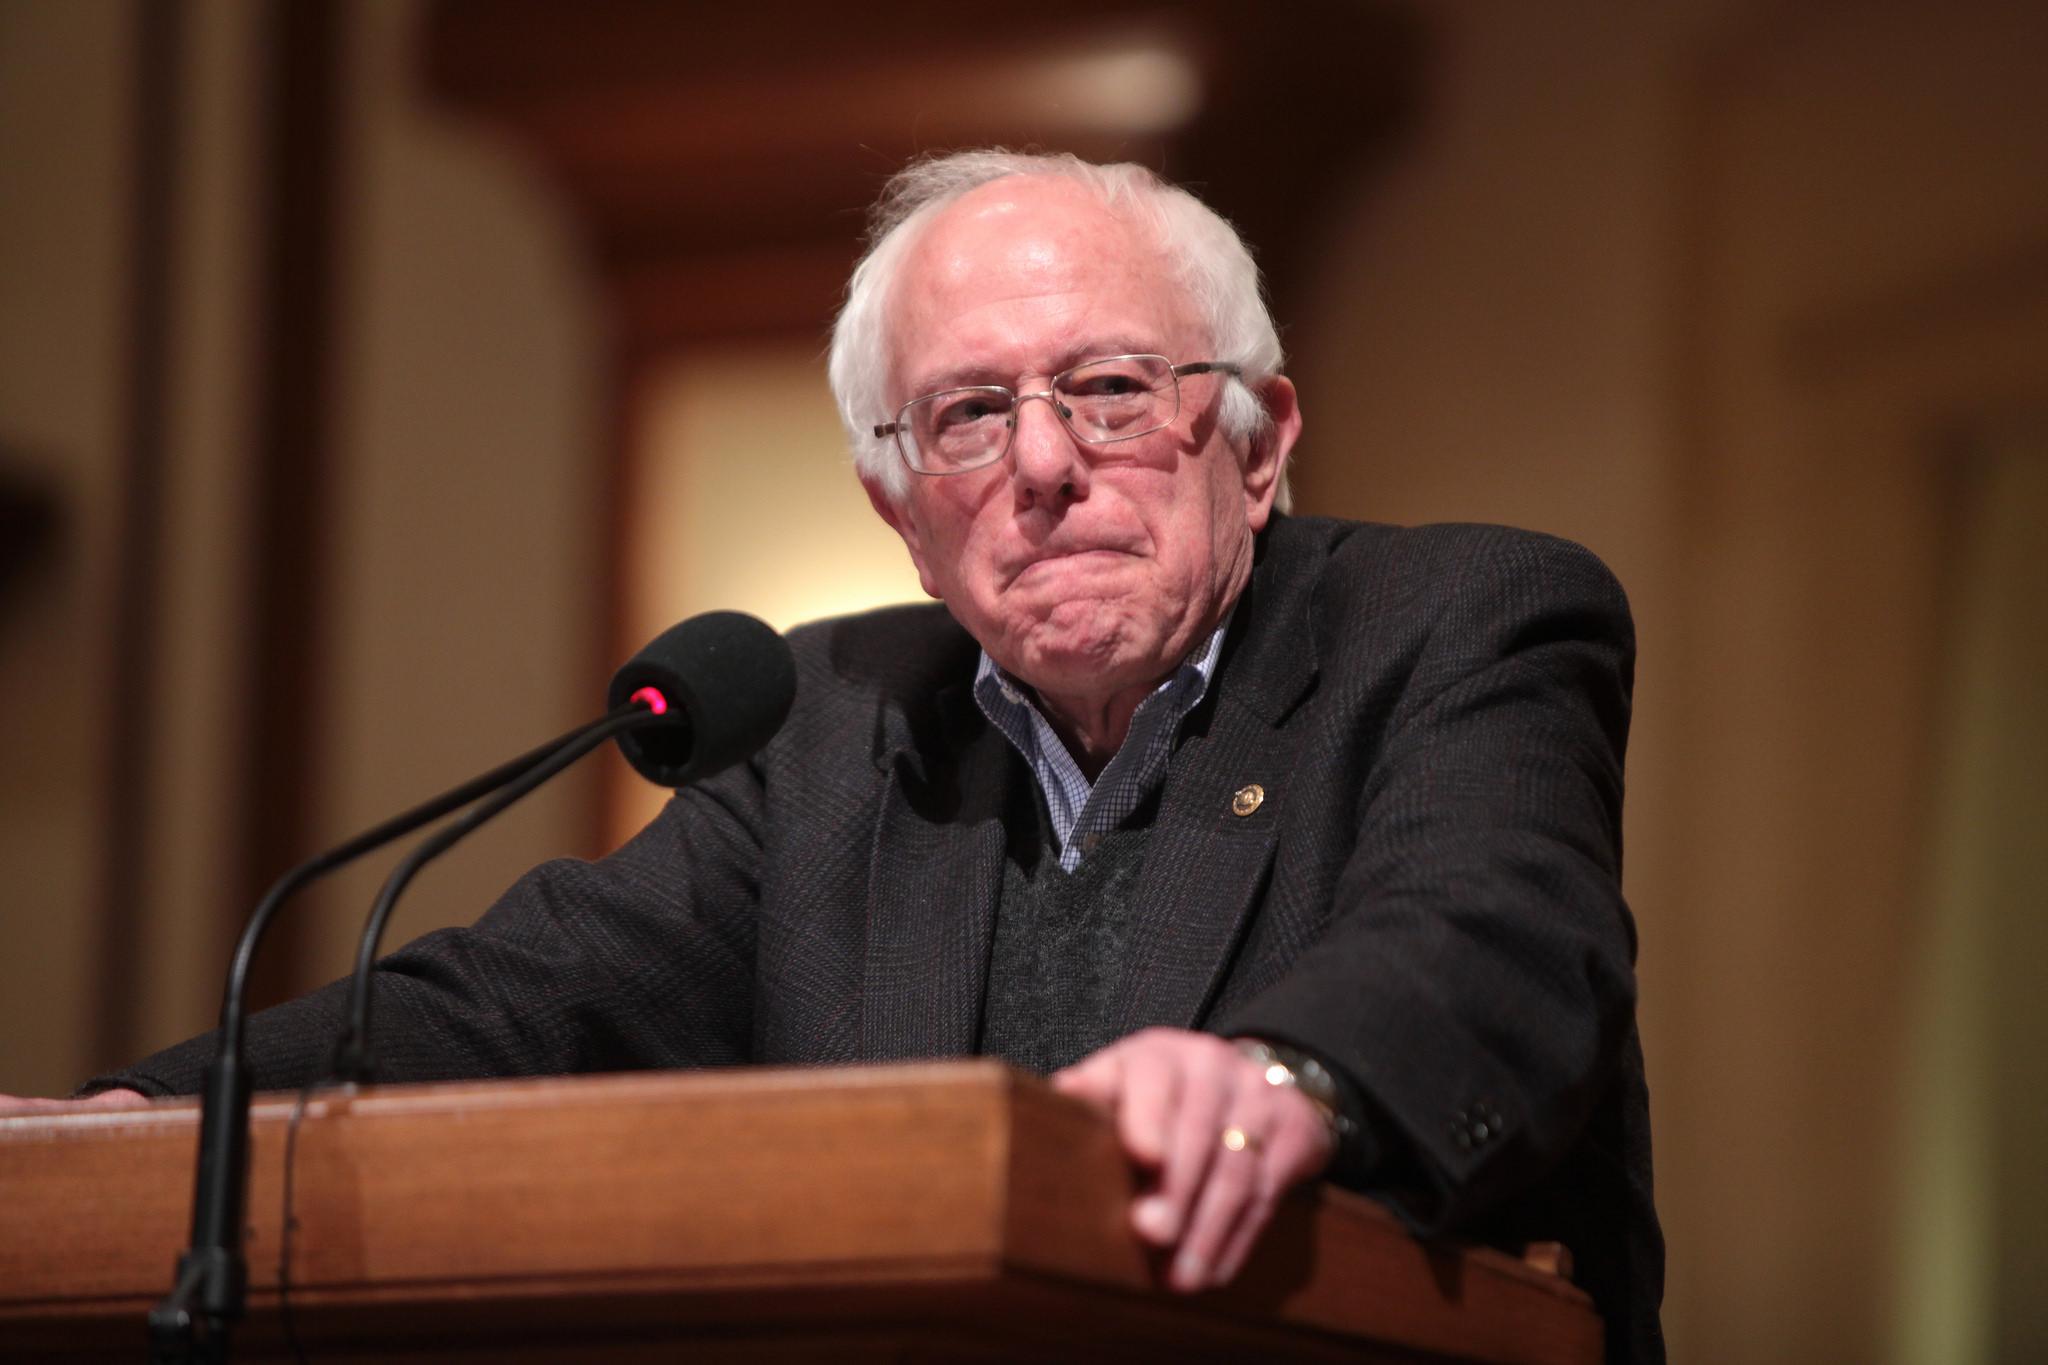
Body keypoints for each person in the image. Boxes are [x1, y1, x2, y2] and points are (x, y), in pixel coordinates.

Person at [22, 151, 1663, 1361]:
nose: (1041, 464)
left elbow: (1497, 930)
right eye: (966, 415)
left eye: (1107, 389)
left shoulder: (1461, 616)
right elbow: (522, 1000)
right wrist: (128, 1122)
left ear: (1257, 432)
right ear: (898, 510)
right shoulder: (830, 720)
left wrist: (1280, 1079)